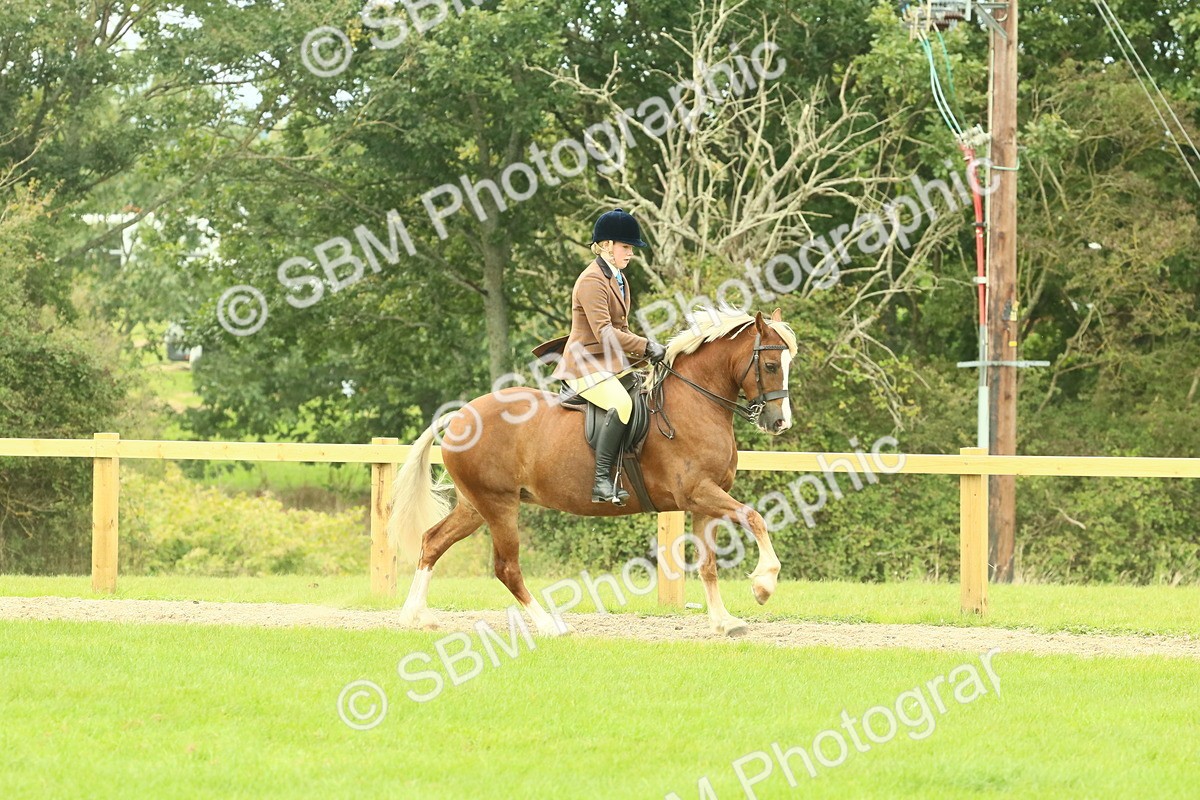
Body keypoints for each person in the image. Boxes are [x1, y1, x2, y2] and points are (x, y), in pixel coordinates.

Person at [552, 208, 666, 505]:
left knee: (644, 392)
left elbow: (622, 329)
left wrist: (643, 357)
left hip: (607, 364)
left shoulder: (618, 279)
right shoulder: (591, 281)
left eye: (631, 248)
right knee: (621, 403)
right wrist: (645, 345)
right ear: (606, 246)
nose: (630, 253)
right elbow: (604, 332)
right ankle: (601, 481)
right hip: (584, 365)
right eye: (626, 247)